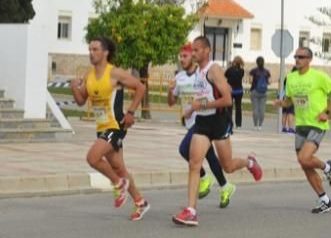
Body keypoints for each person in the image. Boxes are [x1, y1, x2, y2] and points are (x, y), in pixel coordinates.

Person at [173, 36, 263, 227]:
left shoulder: (214, 70)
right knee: (194, 163)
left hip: (219, 122)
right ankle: (191, 210)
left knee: (228, 166)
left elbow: (227, 100)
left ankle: (249, 162)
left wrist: (202, 104)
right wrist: (191, 109)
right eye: (192, 50)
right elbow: (201, 97)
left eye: (197, 50)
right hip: (203, 122)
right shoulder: (198, 72)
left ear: (207, 51)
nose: (193, 53)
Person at [69, 36, 149, 220]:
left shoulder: (115, 73)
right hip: (101, 126)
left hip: (116, 125)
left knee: (92, 157)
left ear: (106, 52)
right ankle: (140, 202)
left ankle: (117, 184)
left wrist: (131, 112)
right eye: (89, 49)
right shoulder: (88, 75)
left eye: (95, 49)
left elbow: (140, 88)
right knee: (119, 167)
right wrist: (74, 88)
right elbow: (81, 101)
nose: (91, 53)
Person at [274, 47, 331, 214]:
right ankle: (325, 201)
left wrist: (327, 111)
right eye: (296, 57)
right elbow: (289, 101)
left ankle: (327, 168)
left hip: (317, 124)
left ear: (309, 59)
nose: (297, 59)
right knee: (304, 164)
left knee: (305, 158)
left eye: (301, 57)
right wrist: (281, 103)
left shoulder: (318, 76)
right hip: (301, 125)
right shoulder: (290, 78)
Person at [168, 44, 235, 209]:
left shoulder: (207, 71)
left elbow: (225, 95)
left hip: (208, 121)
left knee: (187, 151)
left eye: (186, 55)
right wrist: (171, 92)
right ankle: (223, 187)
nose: (182, 59)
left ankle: (208, 180)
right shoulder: (180, 77)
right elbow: (171, 102)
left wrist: (199, 107)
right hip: (195, 122)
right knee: (206, 159)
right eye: (181, 56)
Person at [249, 56, 272, 130]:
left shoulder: (253, 71)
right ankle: (260, 126)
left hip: (254, 91)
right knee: (262, 110)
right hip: (264, 92)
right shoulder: (267, 72)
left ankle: (255, 125)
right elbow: (269, 82)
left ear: (256, 62)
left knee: (255, 109)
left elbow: (250, 81)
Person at [225, 56, 246, 130]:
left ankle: (229, 123)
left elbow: (226, 75)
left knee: (229, 108)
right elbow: (241, 76)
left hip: (230, 90)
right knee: (238, 107)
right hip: (239, 91)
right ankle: (238, 124)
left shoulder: (230, 69)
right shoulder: (242, 70)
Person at [281, 66, 297, 133]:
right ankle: (290, 128)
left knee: (284, 112)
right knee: (291, 112)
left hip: (285, 95)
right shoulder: (297, 78)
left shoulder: (288, 77)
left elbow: (284, 86)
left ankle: (284, 127)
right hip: (291, 96)